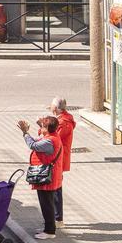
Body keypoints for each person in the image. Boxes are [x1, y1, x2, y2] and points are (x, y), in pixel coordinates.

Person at [19, 115, 63, 239]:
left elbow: (33, 145)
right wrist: (41, 125)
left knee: (47, 204)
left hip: (47, 178)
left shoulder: (49, 141)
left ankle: (49, 231)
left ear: (48, 128)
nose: (41, 128)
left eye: (43, 126)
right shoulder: (53, 136)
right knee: (46, 203)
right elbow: (39, 139)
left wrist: (25, 132)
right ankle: (48, 227)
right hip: (48, 177)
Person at [51, 97, 76, 228]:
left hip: (58, 159)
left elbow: (53, 138)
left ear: (55, 108)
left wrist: (42, 128)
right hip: (58, 158)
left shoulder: (64, 123)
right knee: (55, 188)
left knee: (56, 188)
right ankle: (56, 218)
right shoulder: (63, 120)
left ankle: (58, 219)